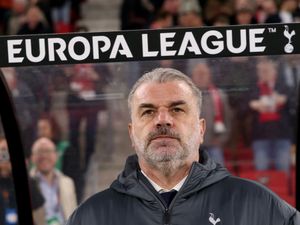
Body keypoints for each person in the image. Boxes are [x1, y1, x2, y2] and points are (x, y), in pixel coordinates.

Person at [66, 68, 299, 225]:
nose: (163, 119)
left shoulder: (257, 205)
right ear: (131, 132)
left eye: (177, 109)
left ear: (201, 129)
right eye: (148, 111)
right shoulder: (91, 217)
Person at [248, 58, 293, 173]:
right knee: (262, 173)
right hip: (260, 136)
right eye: (262, 71)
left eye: (267, 71)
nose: (264, 74)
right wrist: (252, 105)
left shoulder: (284, 87)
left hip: (281, 135)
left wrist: (284, 100)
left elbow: (293, 106)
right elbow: (241, 110)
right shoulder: (253, 89)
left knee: (283, 172)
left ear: (275, 72)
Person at [30, 137, 77, 225]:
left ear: (56, 156)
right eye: (40, 151)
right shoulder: (29, 183)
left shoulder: (68, 182)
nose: (44, 156)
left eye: (48, 151)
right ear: (32, 157)